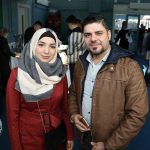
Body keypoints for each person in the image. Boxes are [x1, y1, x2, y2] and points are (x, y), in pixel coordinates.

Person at [69, 15, 149, 150]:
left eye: (98, 33)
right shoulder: (80, 63)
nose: (93, 39)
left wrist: (109, 145)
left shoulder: (130, 67)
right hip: (83, 137)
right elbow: (73, 93)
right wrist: (74, 114)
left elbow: (137, 114)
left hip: (110, 141)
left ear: (109, 34)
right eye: (88, 35)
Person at [6, 28, 73, 150]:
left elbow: (65, 109)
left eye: (52, 46)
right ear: (32, 46)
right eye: (41, 44)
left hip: (57, 137)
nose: (47, 51)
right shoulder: (18, 74)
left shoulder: (60, 72)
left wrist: (69, 135)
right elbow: (12, 117)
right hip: (29, 140)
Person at [0, 27, 19, 95]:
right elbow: (6, 51)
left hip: (2, 62)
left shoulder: (1, 39)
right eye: (7, 33)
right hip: (3, 62)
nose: (8, 35)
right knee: (7, 77)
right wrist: (15, 55)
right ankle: (6, 92)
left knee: (4, 76)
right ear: (5, 33)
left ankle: (4, 91)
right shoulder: (3, 40)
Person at [66, 15, 85, 81]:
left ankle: (73, 91)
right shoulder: (83, 33)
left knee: (73, 79)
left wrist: (66, 53)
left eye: (68, 25)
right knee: (80, 78)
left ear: (70, 24)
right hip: (82, 59)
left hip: (74, 61)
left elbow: (70, 51)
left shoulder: (73, 34)